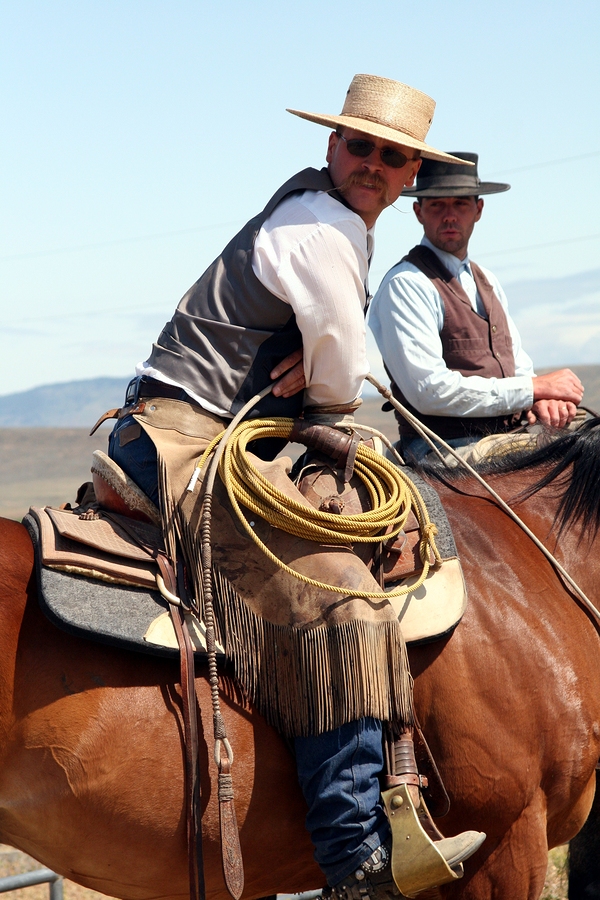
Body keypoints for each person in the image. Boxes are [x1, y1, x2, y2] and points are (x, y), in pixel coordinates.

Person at [107, 77, 484, 898]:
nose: (374, 165)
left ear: (412, 169)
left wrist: (306, 377)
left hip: (208, 425)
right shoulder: (324, 224)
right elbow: (343, 369)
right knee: (338, 596)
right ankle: (354, 856)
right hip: (184, 441)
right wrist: (319, 389)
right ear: (331, 146)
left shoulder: (326, 217)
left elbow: (330, 353)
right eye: (361, 147)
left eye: (393, 156)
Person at [369, 152, 585, 462]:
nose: (449, 216)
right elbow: (429, 391)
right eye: (437, 205)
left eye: (460, 204)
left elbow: (517, 364)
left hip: (506, 440)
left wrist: (542, 400)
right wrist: (532, 389)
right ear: (419, 212)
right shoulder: (407, 284)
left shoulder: (488, 282)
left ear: (478, 209)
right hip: (441, 452)